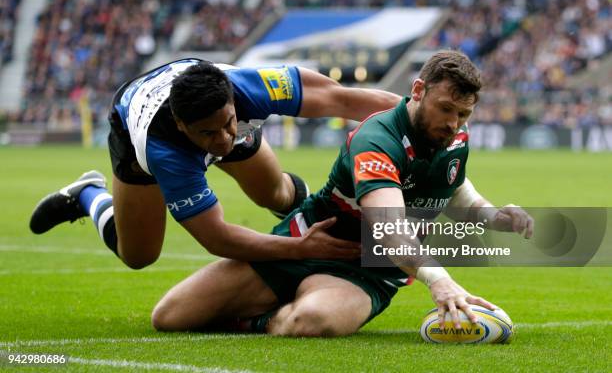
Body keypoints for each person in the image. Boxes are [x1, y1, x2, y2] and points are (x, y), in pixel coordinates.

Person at [150, 50, 534, 336]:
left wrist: (495, 216)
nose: (453, 124)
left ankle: (272, 314)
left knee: (311, 321)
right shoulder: (376, 139)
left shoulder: (453, 137)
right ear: (418, 91)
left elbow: (454, 190)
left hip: (372, 271)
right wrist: (440, 279)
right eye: (446, 109)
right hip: (311, 236)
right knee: (170, 317)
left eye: (463, 115)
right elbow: (388, 230)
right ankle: (287, 293)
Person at [29, 59, 402, 268]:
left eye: (229, 124)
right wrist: (301, 248)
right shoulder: (166, 152)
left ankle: (314, 224)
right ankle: (89, 195)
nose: (223, 141)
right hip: (133, 128)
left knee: (279, 195)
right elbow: (217, 237)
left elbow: (344, 99)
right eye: (209, 134)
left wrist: (423, 118)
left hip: (199, 98)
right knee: (139, 255)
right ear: (182, 126)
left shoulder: (248, 89)